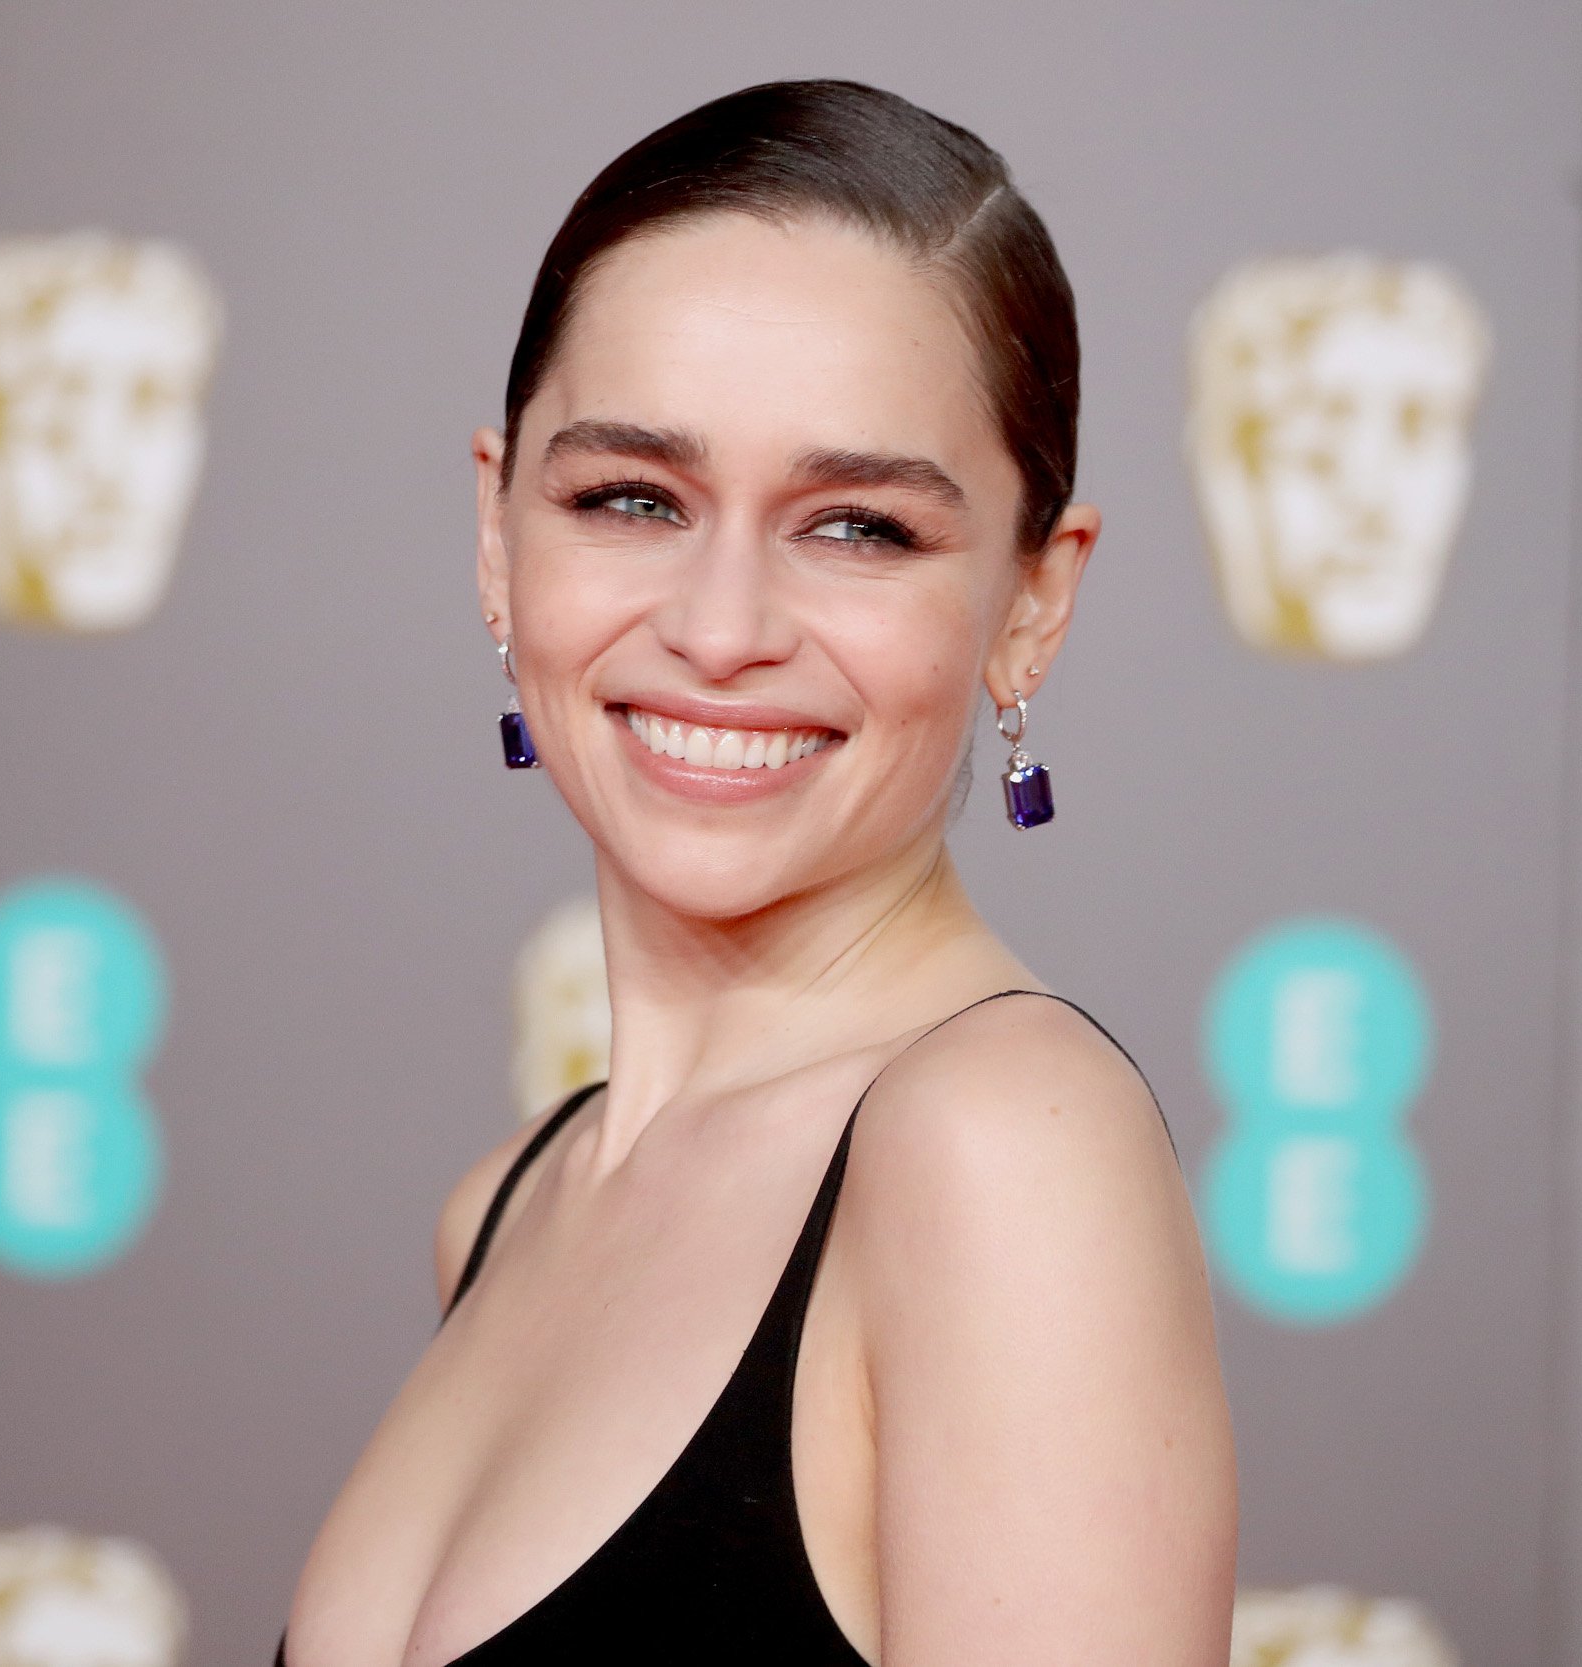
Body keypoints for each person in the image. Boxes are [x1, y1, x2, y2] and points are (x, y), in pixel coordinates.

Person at [282, 79, 1236, 1666]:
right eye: (631, 499)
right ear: (498, 531)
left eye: (856, 527)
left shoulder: (1000, 1153)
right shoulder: (507, 1208)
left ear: (1030, 605)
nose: (722, 628)